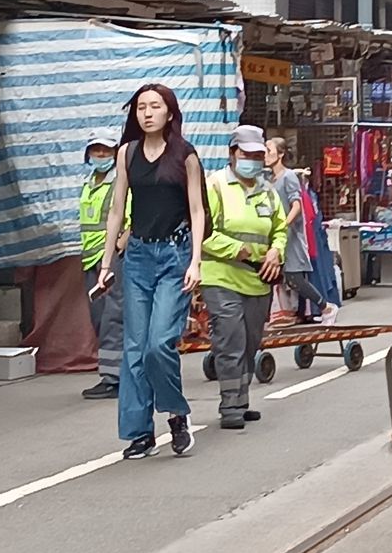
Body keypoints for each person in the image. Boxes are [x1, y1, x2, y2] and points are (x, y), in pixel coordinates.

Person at [96, 84, 207, 460]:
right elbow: (116, 211)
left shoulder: (185, 156)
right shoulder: (126, 153)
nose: (147, 113)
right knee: (134, 348)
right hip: (139, 256)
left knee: (159, 343)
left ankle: (176, 414)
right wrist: (106, 262)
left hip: (175, 256)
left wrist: (195, 261)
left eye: (154, 106)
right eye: (141, 107)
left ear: (169, 113)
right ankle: (139, 432)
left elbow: (197, 212)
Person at [202, 125, 287, 429]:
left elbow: (280, 228)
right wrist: (239, 250)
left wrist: (277, 252)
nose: (252, 160)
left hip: (258, 279)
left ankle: (242, 399)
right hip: (221, 276)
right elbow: (202, 234)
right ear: (233, 153)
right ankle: (229, 405)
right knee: (231, 341)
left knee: (251, 341)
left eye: (258, 155)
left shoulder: (267, 190)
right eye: (246, 154)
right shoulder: (214, 187)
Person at [265, 137, 338, 325]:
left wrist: (283, 225)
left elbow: (296, 205)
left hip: (290, 236)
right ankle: (279, 315)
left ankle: (326, 307)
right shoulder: (268, 179)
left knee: (294, 277)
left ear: (280, 154)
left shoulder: (288, 177)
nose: (265, 155)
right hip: (275, 236)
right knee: (274, 275)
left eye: (269, 150)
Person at [80, 130, 129, 400]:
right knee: (99, 316)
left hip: (111, 260)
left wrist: (120, 245)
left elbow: (130, 217)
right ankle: (118, 372)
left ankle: (113, 378)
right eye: (96, 150)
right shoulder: (89, 183)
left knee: (113, 316)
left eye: (106, 150)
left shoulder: (119, 182)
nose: (101, 155)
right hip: (91, 258)